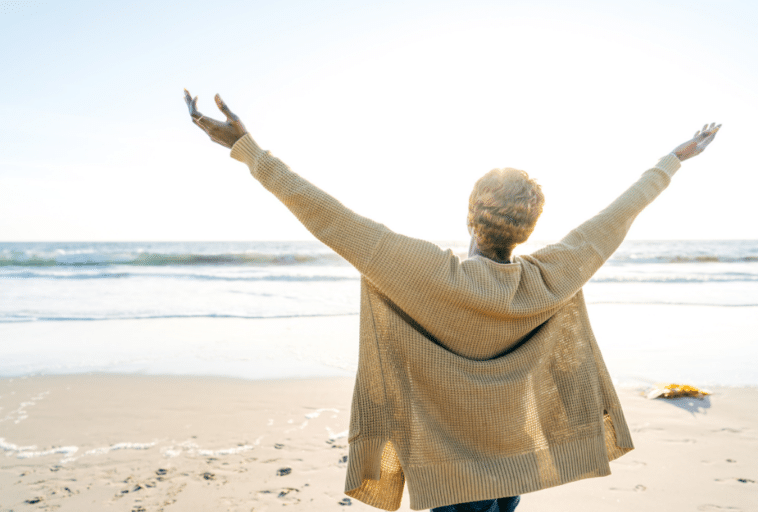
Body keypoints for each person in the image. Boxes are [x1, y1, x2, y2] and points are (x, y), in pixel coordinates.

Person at [183, 89, 720, 512]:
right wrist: (674, 160)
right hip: (512, 462)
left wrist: (245, 147)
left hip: (446, 472)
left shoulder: (425, 273)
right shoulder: (551, 277)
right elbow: (615, 218)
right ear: (531, 228)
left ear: (470, 214)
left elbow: (325, 214)